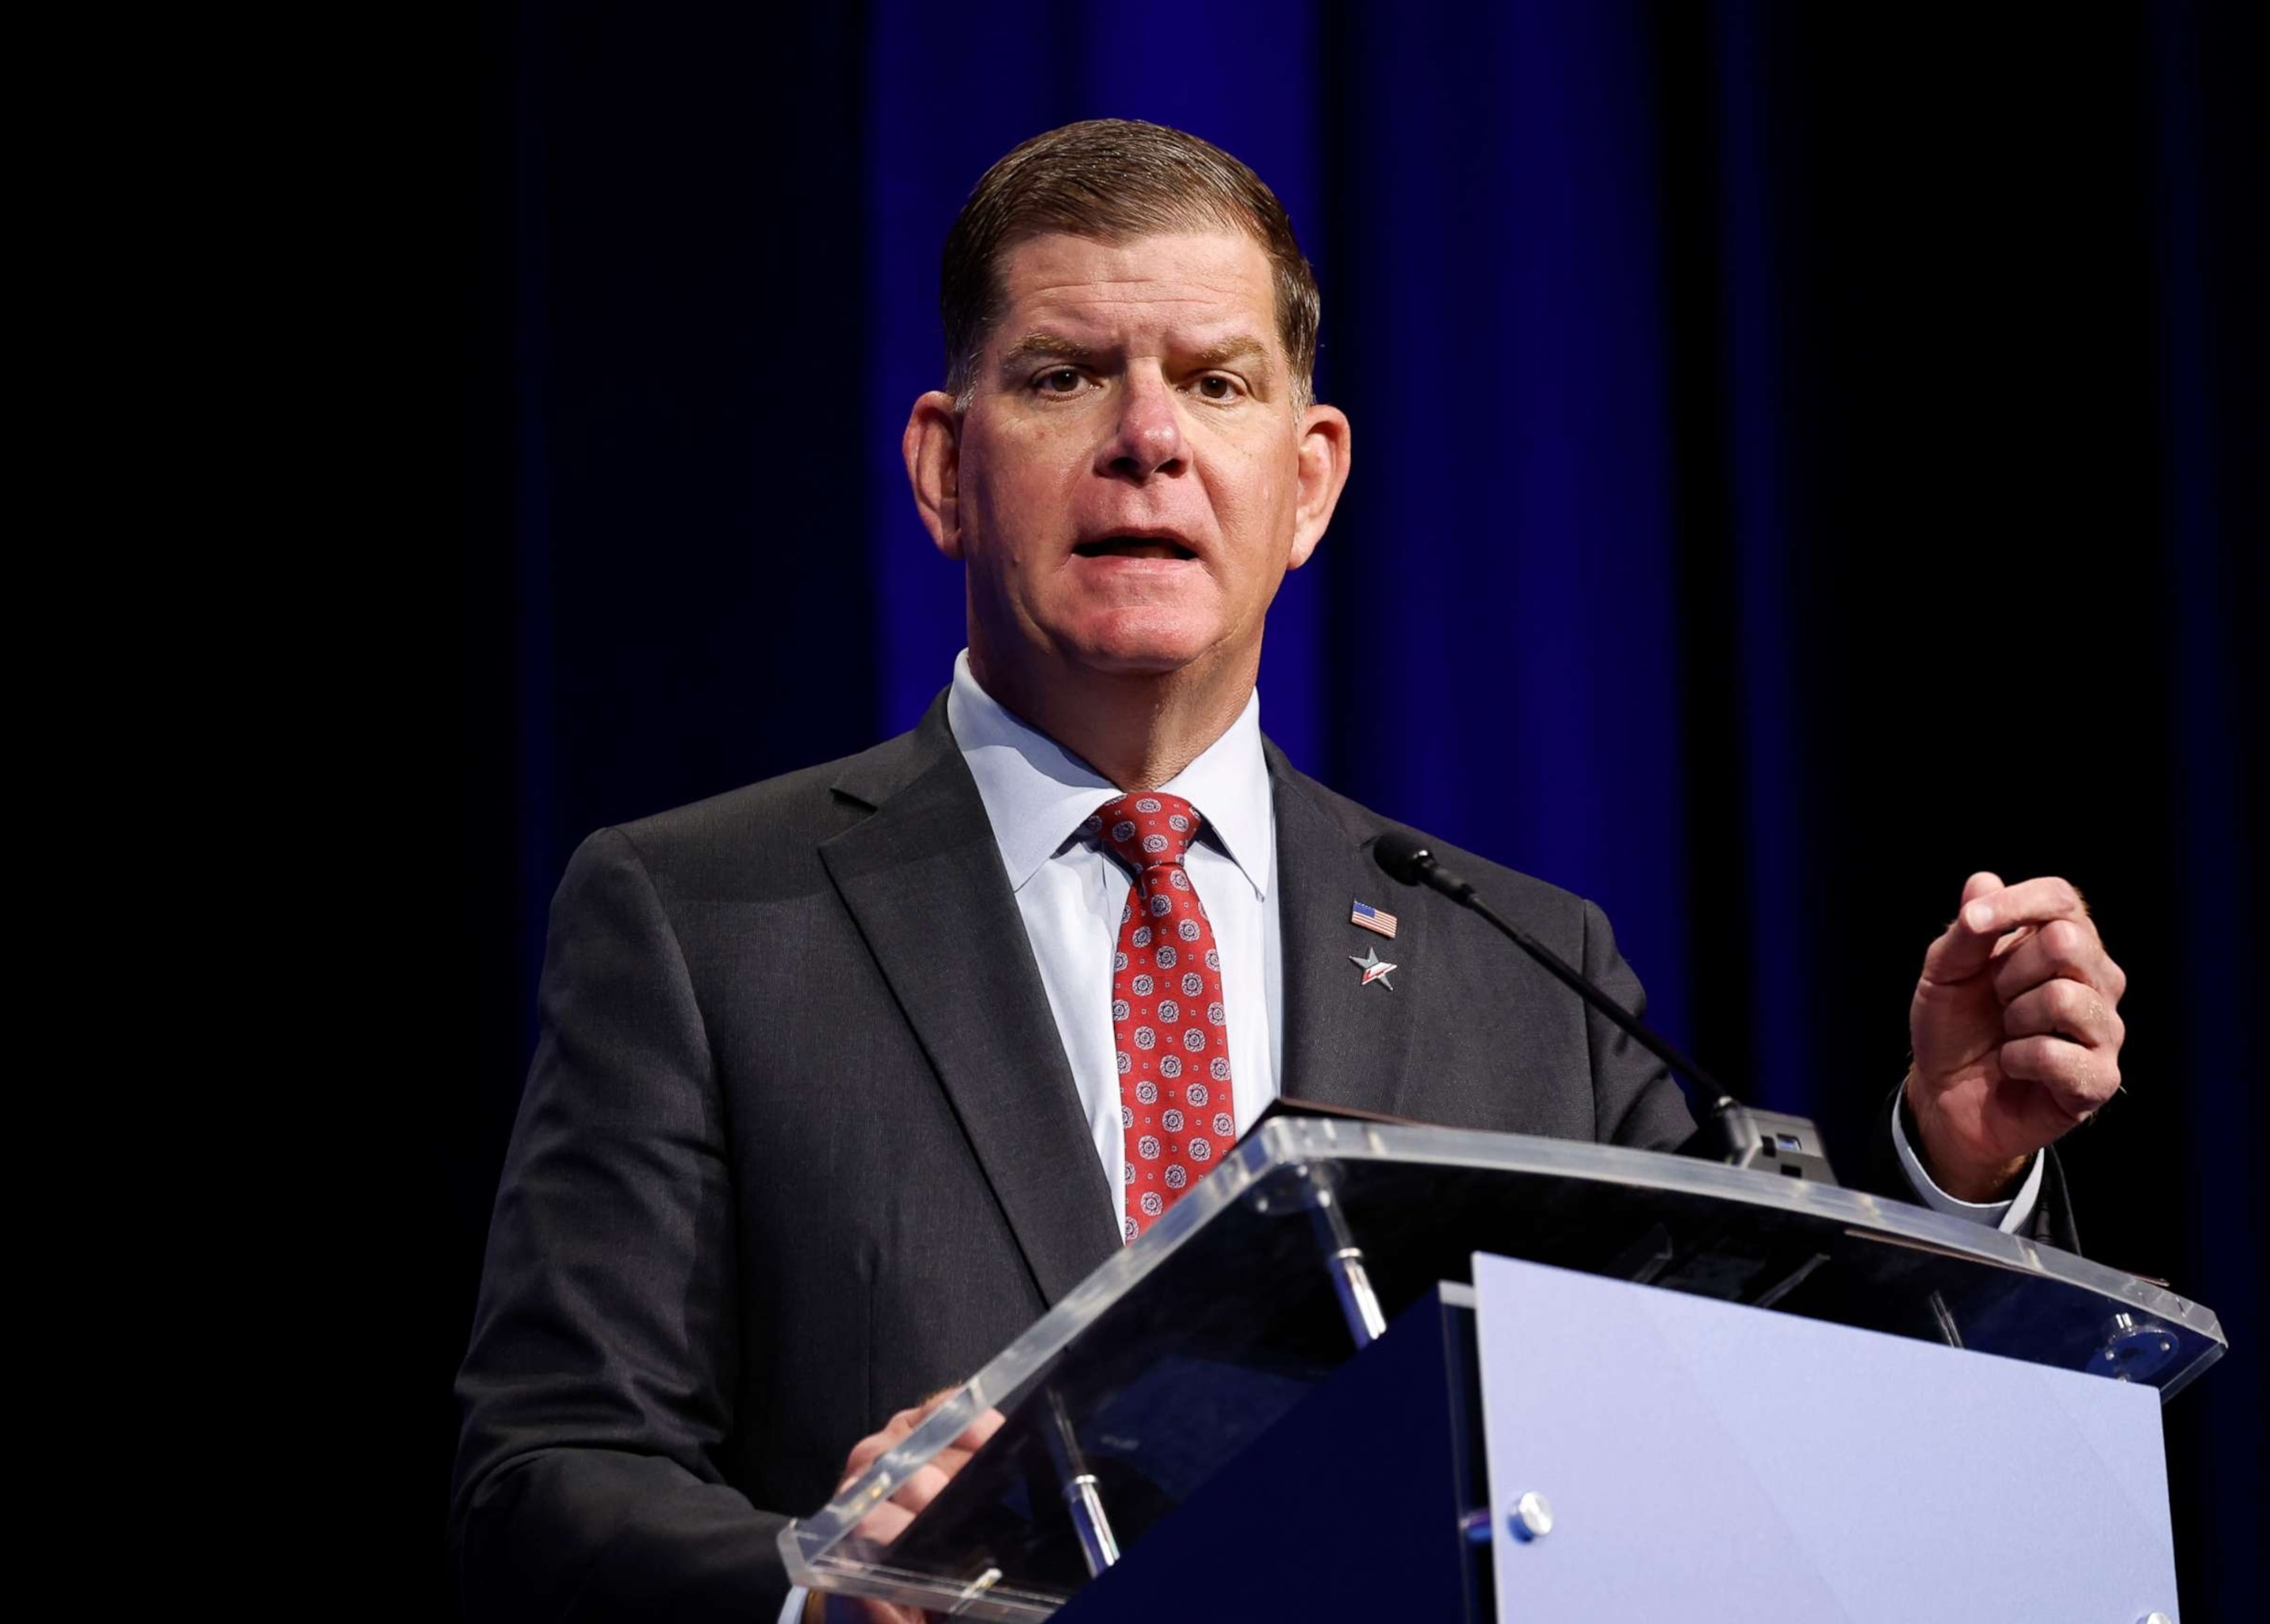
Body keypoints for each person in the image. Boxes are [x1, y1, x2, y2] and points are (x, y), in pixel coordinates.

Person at [452, 119, 2128, 1624]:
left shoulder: (1524, 964)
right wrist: (826, 1583)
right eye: (1060, 376)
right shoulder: (703, 917)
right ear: (946, 467)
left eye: (1217, 381)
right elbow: (546, 1472)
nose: (1147, 440)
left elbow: (1760, 1424)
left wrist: (1953, 1169)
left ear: (1308, 479)